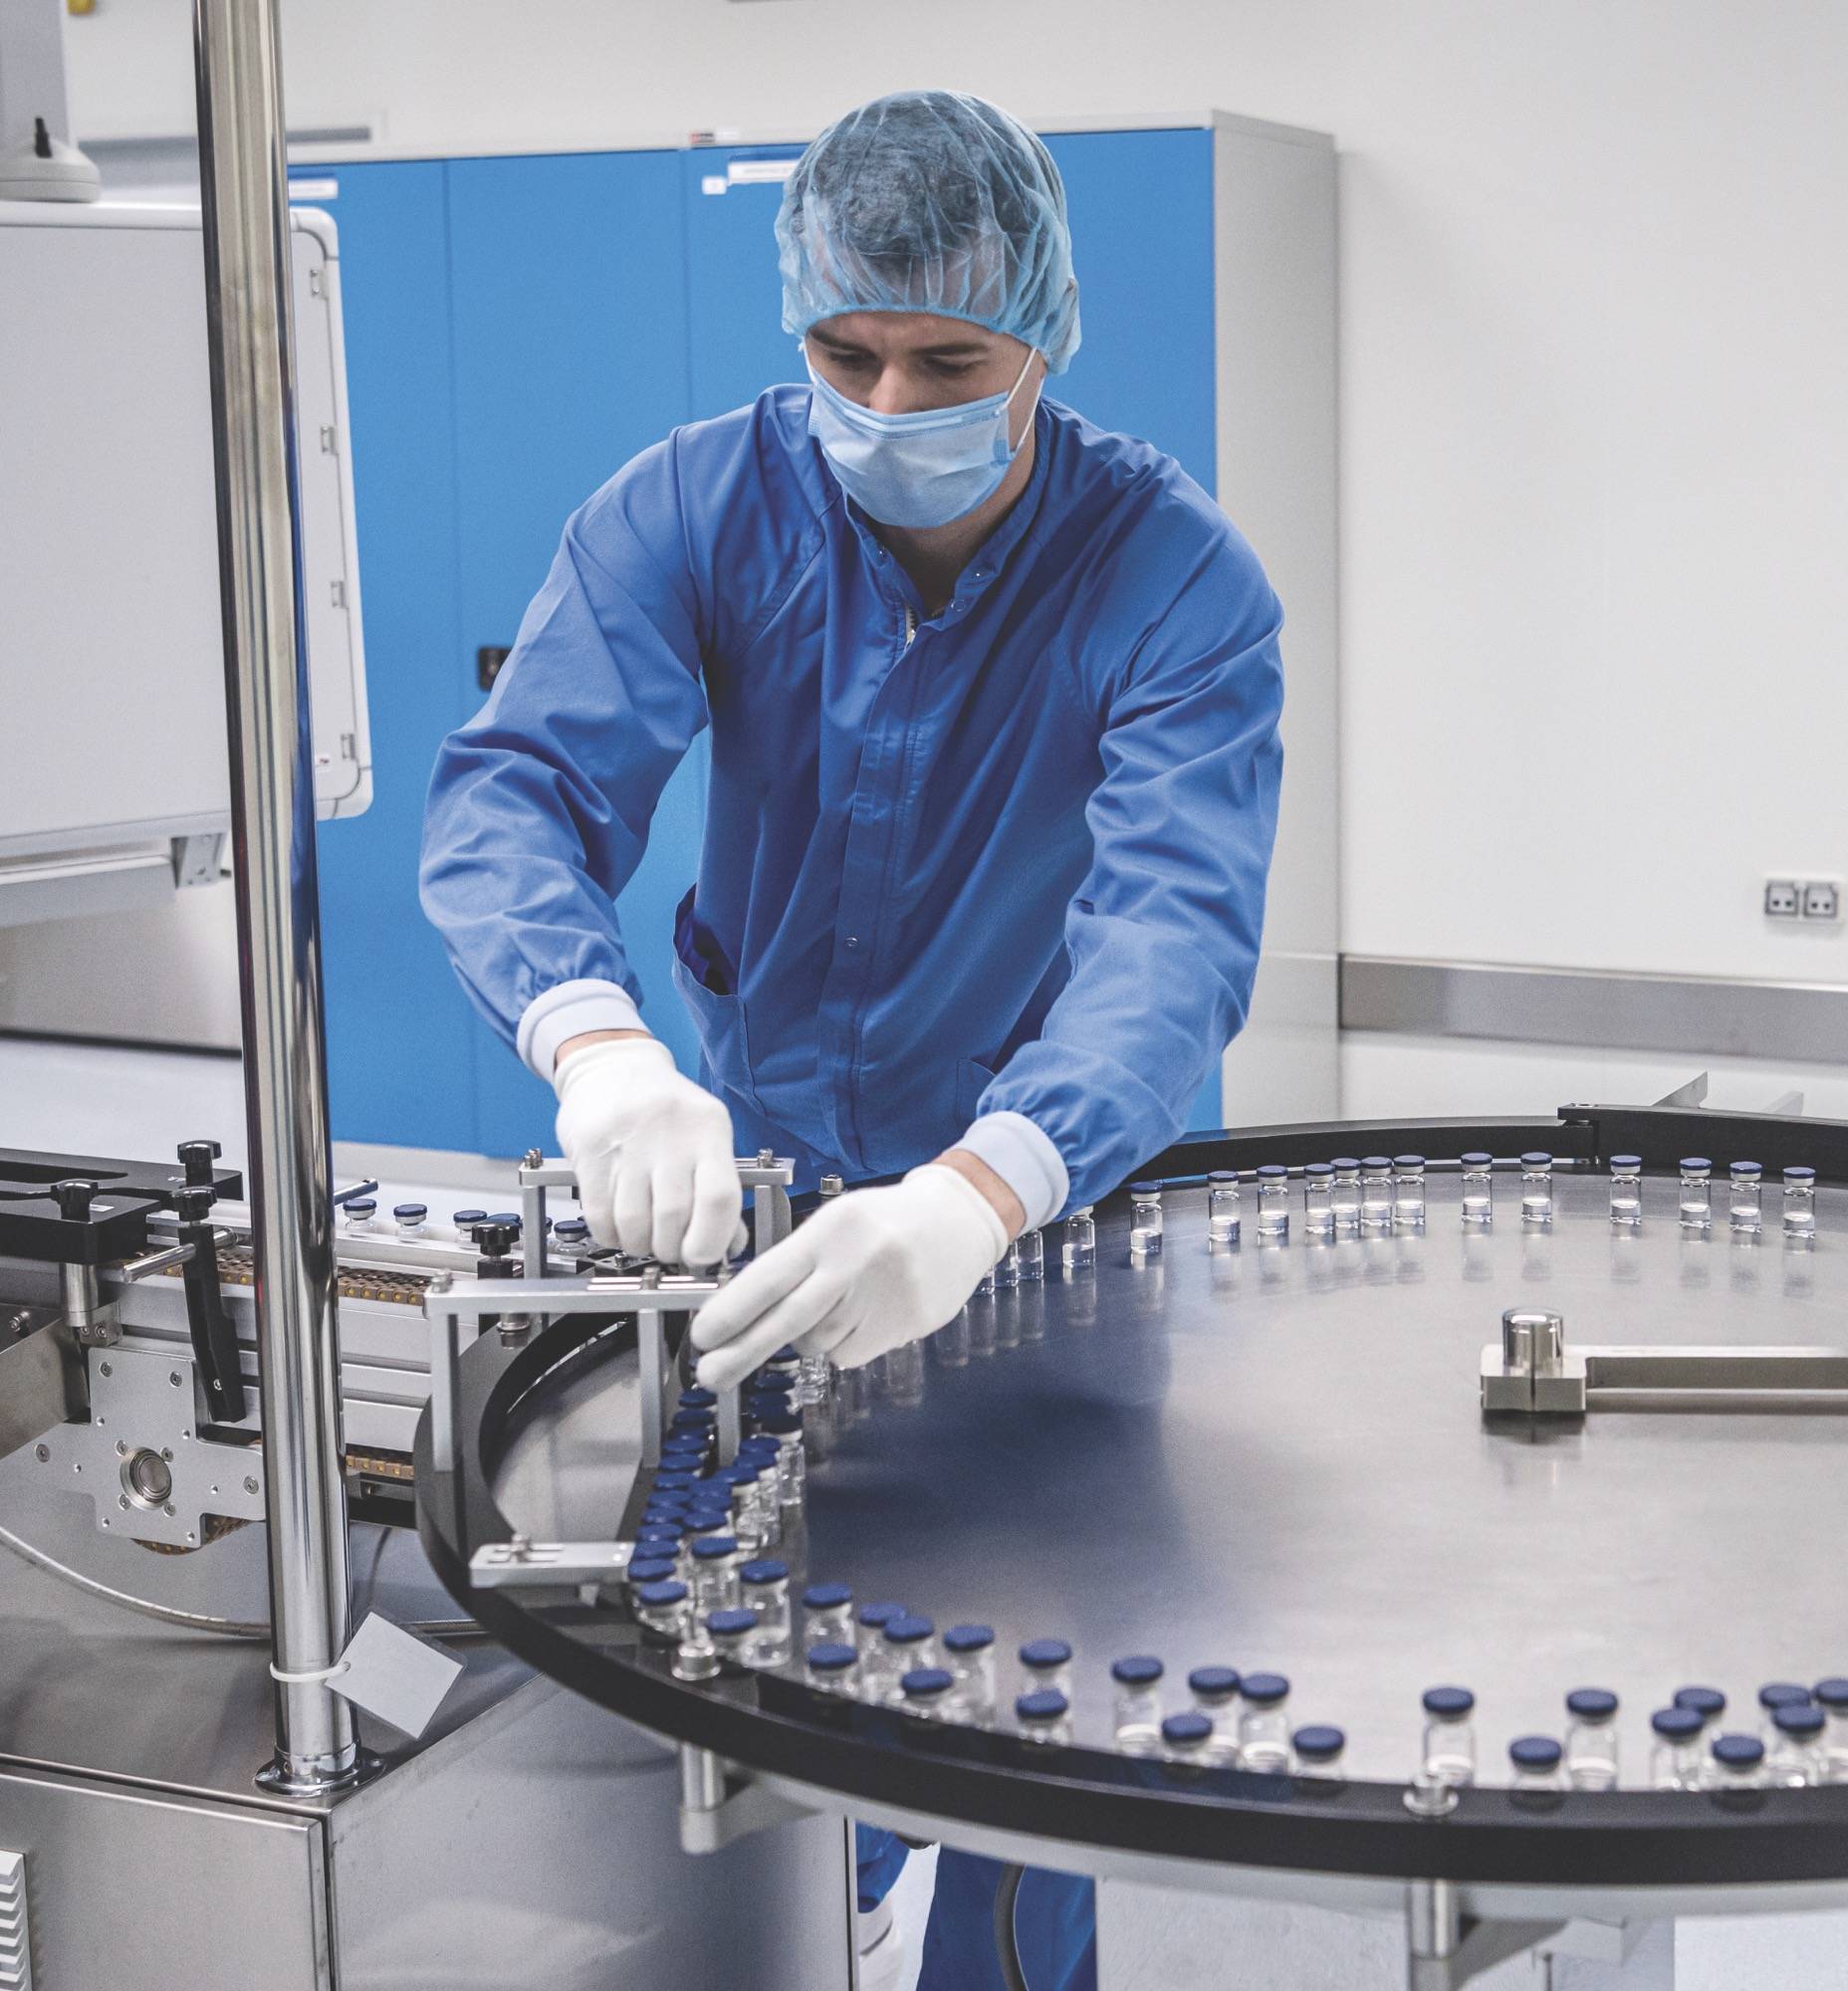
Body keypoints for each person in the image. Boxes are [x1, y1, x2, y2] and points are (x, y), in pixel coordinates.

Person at [420, 87, 1282, 1991]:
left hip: (1039, 1224)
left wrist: (979, 1192)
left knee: (1019, 1726)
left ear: (1042, 339)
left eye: (947, 361)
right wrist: (598, 1045)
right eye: (846, 353)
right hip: (769, 1196)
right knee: (772, 1696)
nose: (890, 403)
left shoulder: (1174, 579)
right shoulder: (697, 507)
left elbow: (1170, 943)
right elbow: (519, 792)